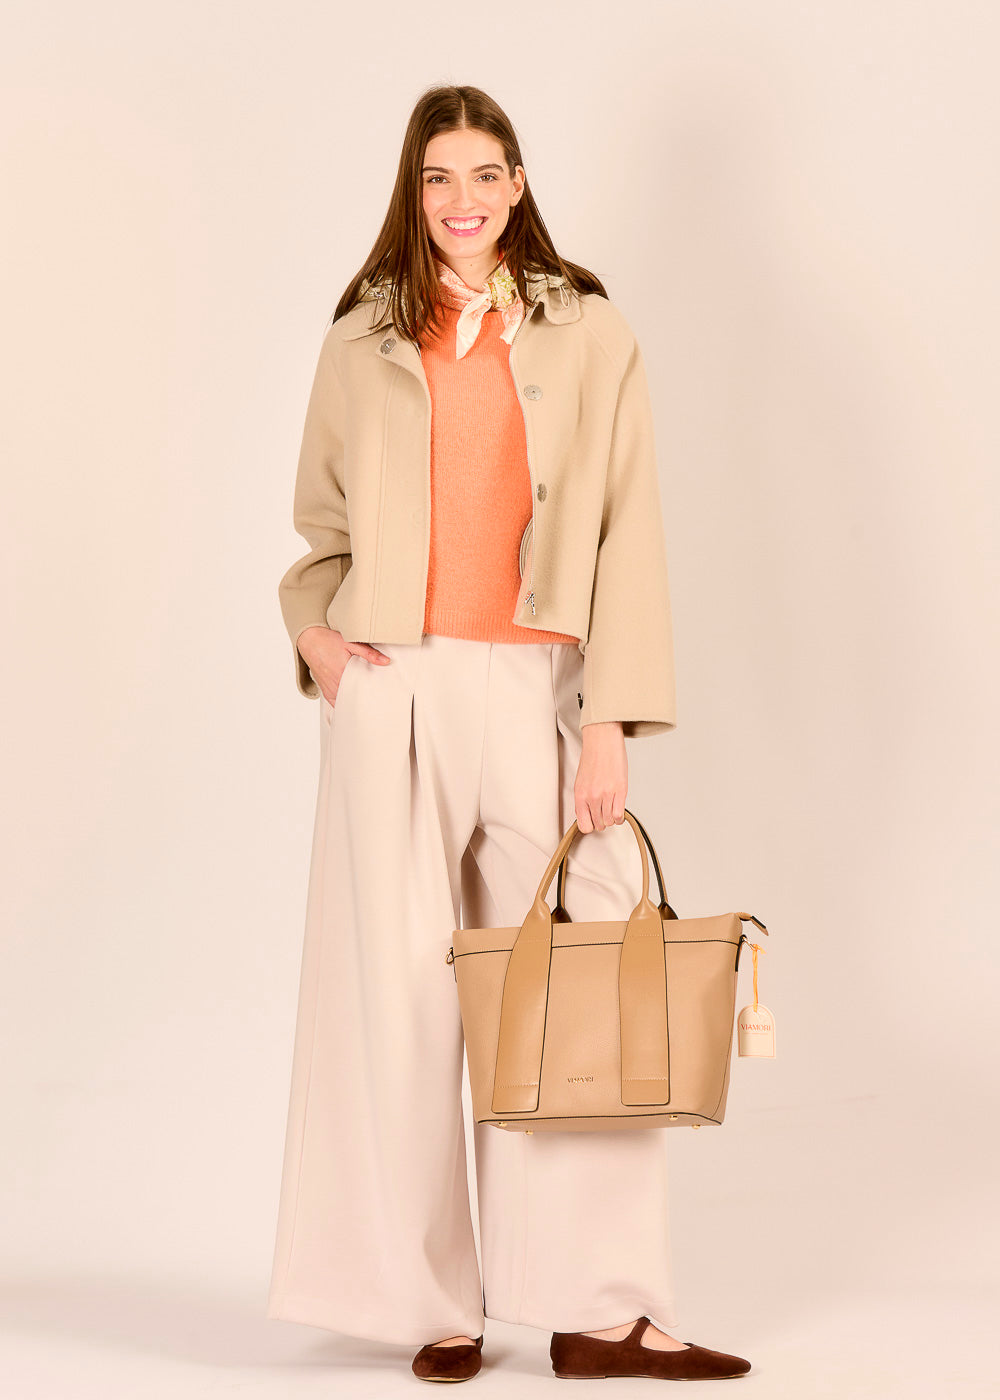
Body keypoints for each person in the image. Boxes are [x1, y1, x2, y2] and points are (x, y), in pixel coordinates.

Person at [266, 84, 751, 1384]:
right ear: (413, 191)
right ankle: (436, 1305)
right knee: (405, 1004)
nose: (463, 200)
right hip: (396, 688)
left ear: (520, 183)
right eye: (439, 177)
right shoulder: (363, 336)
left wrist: (610, 722)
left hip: (542, 691)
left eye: (485, 173)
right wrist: (319, 641)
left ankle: (602, 1309)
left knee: (575, 986)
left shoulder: (590, 331)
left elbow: (627, 534)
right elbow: (320, 532)